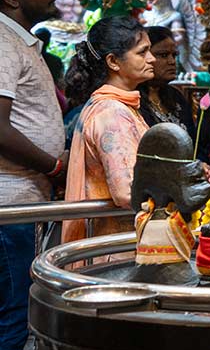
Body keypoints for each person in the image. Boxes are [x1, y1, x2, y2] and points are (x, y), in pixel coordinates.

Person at [0, 0, 65, 350]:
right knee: (9, 320)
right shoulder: (3, 40)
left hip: (25, 200)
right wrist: (52, 165)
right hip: (10, 204)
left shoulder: (23, 43)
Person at [62, 16, 154, 244]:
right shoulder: (112, 113)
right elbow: (128, 191)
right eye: (142, 53)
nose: (151, 59)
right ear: (113, 61)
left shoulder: (118, 106)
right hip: (114, 247)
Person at [138, 26, 193, 131]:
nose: (172, 61)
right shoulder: (134, 100)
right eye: (163, 55)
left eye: (174, 55)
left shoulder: (176, 97)